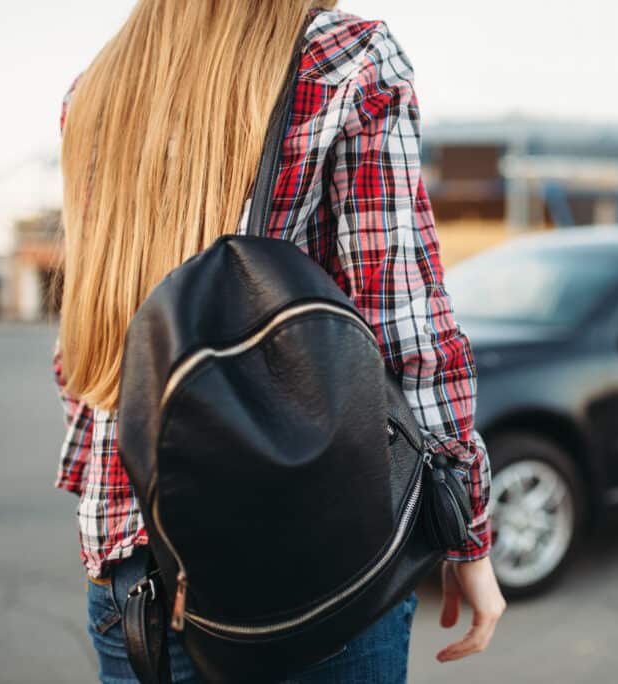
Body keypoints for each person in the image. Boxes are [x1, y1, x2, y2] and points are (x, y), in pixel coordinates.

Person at [54, 2, 505, 682]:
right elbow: (406, 324)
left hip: (133, 573)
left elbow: (88, 335)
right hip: (312, 562)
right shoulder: (344, 58)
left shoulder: (99, 88)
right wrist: (463, 529)